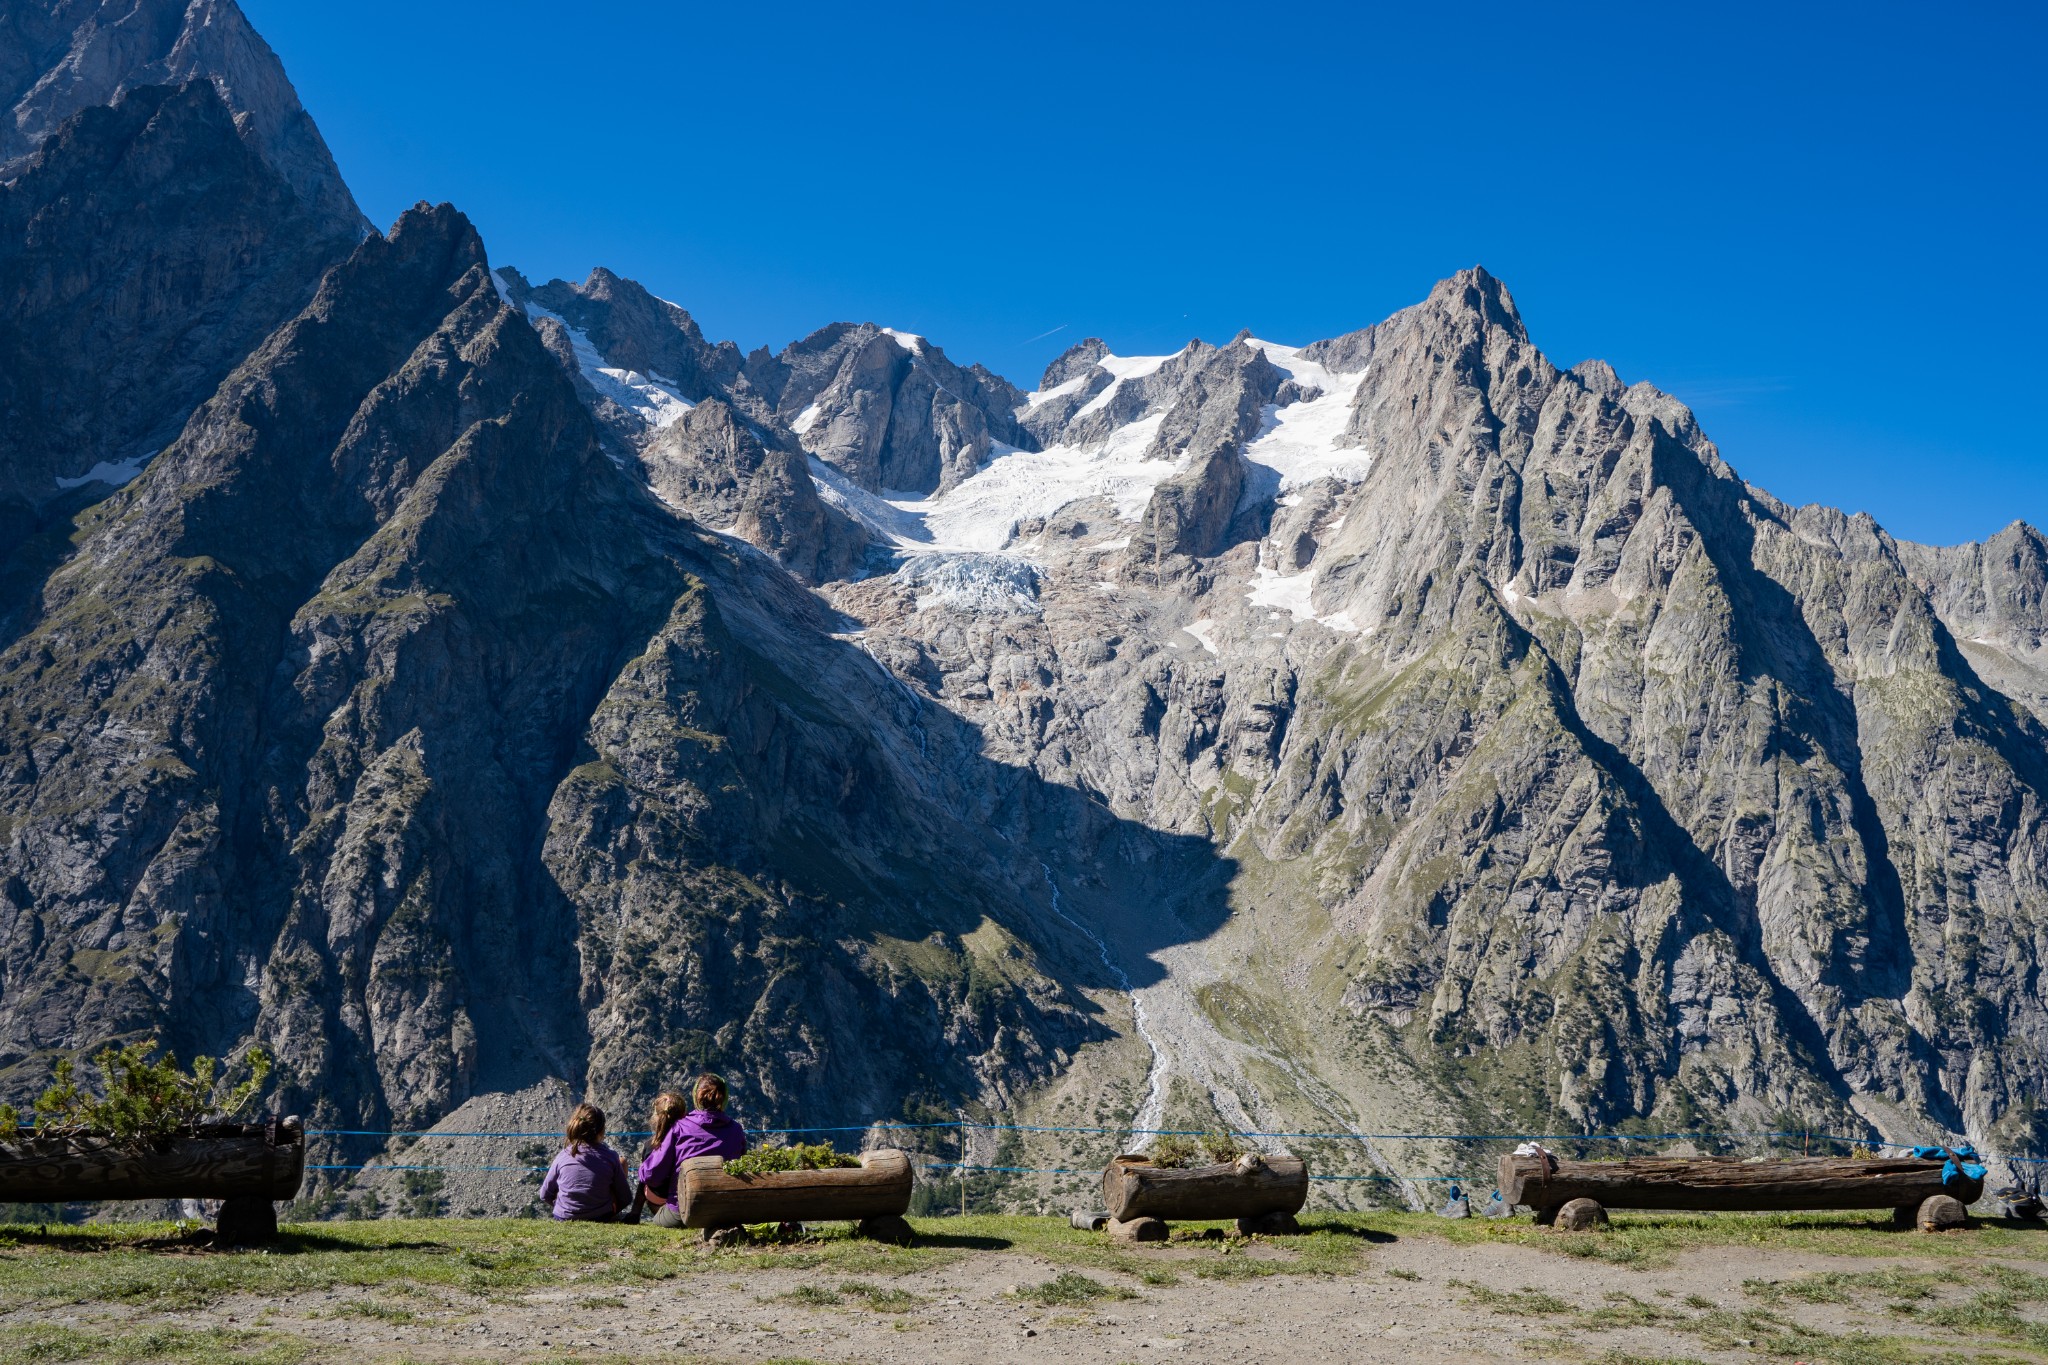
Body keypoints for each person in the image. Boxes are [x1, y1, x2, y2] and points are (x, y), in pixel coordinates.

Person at [638, 1073, 749, 1227]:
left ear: (696, 1097)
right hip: (723, 1211)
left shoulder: (680, 1127)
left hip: (683, 1211)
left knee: (659, 1214)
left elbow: (652, 1174)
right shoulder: (736, 1130)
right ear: (723, 1098)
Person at [538, 1102, 632, 1222]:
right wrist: (611, 1210)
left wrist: (565, 1209)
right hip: (601, 1216)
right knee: (621, 1162)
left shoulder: (563, 1156)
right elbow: (626, 1198)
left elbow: (545, 1194)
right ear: (602, 1130)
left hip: (563, 1217)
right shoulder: (610, 1157)